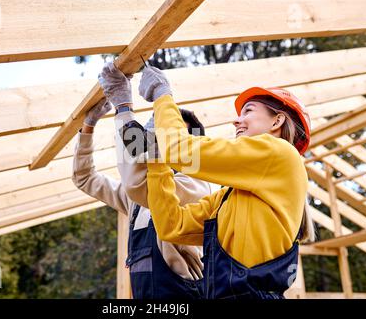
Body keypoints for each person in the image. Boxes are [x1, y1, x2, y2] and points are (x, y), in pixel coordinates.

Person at [102, 63, 315, 299]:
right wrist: (150, 150)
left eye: (248, 111)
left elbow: (179, 148)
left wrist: (162, 95)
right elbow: (171, 226)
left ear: (277, 122)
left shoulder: (279, 153)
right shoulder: (229, 197)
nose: (237, 120)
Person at [71, 90, 211, 298]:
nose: (162, 138)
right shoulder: (135, 201)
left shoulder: (195, 185)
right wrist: (88, 127)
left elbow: (142, 181)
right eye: (158, 132)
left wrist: (124, 110)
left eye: (170, 135)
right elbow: (85, 178)